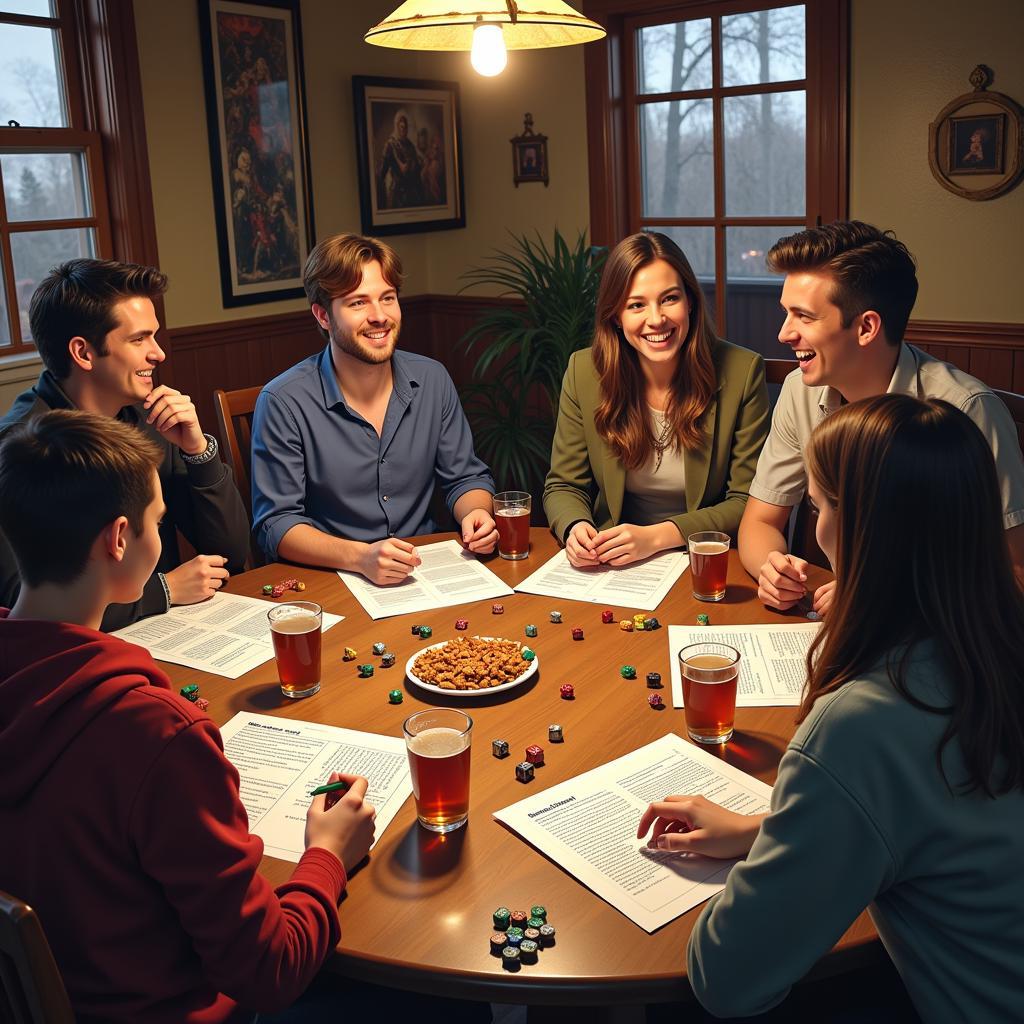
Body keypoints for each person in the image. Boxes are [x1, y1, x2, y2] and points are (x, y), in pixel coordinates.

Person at [638, 395, 1024, 1022]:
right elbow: (933, 822)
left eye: (817, 508)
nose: (815, 528)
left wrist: (780, 855)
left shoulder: (862, 722)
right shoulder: (996, 641)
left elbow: (726, 979)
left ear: (863, 530)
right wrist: (765, 831)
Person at [0, 410, 377, 1023]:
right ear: (119, 539)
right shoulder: (152, 732)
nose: (160, 532)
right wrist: (327, 855)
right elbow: (270, 970)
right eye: (157, 521)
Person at [737, 220, 1024, 616]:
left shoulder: (967, 410)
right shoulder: (799, 390)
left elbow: (1015, 574)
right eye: (786, 313)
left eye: (803, 316)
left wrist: (883, 598)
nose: (784, 333)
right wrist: (772, 568)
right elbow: (760, 521)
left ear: (866, 327)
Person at [0, 258, 250, 630]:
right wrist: (162, 590)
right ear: (83, 353)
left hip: (167, 635)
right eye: (139, 339)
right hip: (72, 656)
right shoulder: (20, 450)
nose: (159, 353)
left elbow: (230, 554)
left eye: (154, 335)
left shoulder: (149, 422)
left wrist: (199, 453)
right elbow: (20, 605)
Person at [251, 233, 497, 585]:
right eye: (358, 303)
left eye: (388, 298)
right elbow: (277, 524)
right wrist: (361, 557)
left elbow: (465, 478)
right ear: (323, 315)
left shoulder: (432, 379)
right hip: (332, 580)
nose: (379, 316)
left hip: (424, 572)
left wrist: (475, 513)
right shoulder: (282, 401)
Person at [542, 231, 769, 567]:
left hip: (708, 560)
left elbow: (746, 500)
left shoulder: (742, 371)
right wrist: (577, 526)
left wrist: (658, 536)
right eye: (636, 305)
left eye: (669, 299)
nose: (656, 319)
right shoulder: (583, 371)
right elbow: (564, 484)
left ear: (690, 301)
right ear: (616, 316)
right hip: (615, 561)